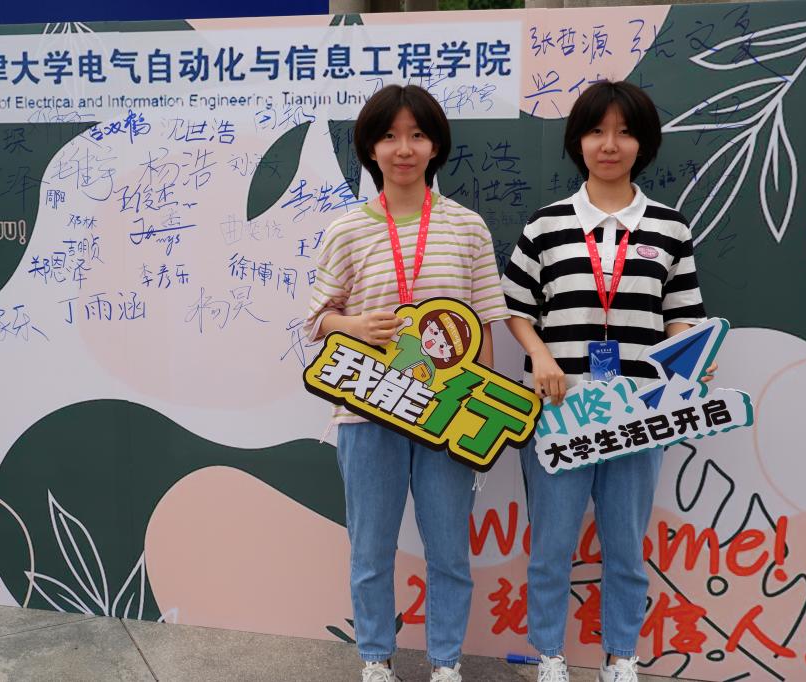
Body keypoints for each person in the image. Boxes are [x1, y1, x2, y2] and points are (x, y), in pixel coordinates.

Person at [500, 81, 713, 682]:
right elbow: (515, 307)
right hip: (559, 411)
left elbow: (682, 314)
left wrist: (688, 360)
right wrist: (541, 358)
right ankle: (550, 656)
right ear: (579, 142)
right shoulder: (546, 225)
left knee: (625, 547)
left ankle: (622, 657)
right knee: (552, 545)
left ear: (643, 144)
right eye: (596, 131)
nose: (609, 144)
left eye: (624, 132)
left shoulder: (670, 228)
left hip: (638, 415)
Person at [305, 84, 509, 682]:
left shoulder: (467, 227)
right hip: (368, 408)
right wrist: (353, 324)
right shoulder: (346, 229)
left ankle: (445, 663)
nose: (404, 149)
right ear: (369, 149)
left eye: (417, 135)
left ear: (435, 145)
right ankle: (375, 659)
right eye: (390, 136)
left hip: (447, 415)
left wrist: (478, 411)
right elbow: (316, 320)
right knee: (371, 548)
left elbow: (484, 324)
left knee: (449, 549)